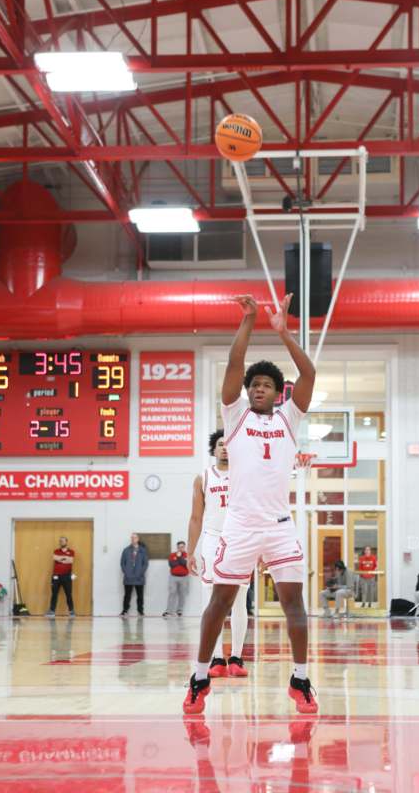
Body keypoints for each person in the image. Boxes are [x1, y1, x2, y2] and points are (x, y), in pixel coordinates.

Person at [183, 292, 317, 715]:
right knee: (219, 603)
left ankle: (300, 678)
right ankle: (201, 675)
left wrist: (283, 333)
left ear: (278, 393)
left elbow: (309, 372)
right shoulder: (235, 416)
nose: (258, 388)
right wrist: (249, 321)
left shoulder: (288, 419)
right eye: (254, 384)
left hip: (279, 525)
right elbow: (234, 366)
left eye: (266, 385)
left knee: (294, 603)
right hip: (239, 526)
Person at [187, 429, 249, 678]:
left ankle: (236, 657)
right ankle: (214, 658)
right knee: (211, 601)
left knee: (240, 600)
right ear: (214, 449)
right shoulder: (202, 478)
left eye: (229, 445)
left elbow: (255, 512)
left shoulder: (245, 477)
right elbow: (195, 517)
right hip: (212, 539)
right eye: (221, 444)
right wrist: (190, 551)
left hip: (241, 540)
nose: (225, 448)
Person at [120, 532, 149, 617]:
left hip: (139, 578)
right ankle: (125, 611)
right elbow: (122, 563)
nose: (133, 539)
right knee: (127, 595)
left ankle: (140, 611)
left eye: (135, 538)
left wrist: (140, 573)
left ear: (138, 539)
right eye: (132, 538)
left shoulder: (143, 550)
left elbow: (145, 564)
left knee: (140, 596)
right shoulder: (126, 550)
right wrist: (126, 572)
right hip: (128, 578)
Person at [45, 536, 75, 618]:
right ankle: (52, 611)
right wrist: (65, 559)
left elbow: (70, 560)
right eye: (60, 541)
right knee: (54, 594)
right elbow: (55, 558)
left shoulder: (71, 551)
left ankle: (71, 611)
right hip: (56, 576)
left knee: (68, 594)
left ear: (66, 542)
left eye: (62, 541)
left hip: (67, 576)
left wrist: (60, 559)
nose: (61, 542)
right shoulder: (56, 551)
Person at [163, 541, 189, 617]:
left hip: (184, 577)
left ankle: (179, 611)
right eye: (179, 547)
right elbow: (172, 564)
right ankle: (168, 611)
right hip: (173, 577)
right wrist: (180, 561)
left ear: (184, 547)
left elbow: (186, 564)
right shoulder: (172, 555)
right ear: (177, 547)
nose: (181, 548)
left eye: (182, 547)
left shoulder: (187, 555)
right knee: (172, 593)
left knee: (182, 594)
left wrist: (179, 557)